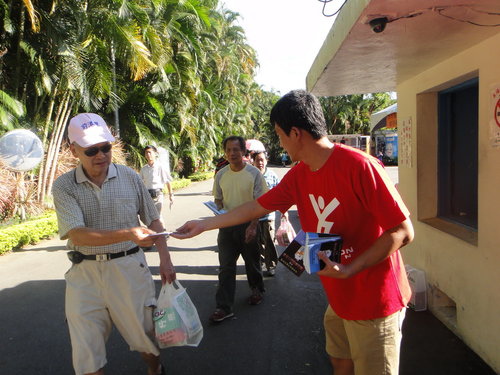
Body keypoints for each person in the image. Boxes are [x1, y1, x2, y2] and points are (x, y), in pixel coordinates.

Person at [172, 90, 414, 375]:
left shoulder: (360, 166)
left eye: (279, 134)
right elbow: (255, 207)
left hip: (375, 301)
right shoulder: (299, 175)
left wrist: (350, 268)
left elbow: (402, 231)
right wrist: (203, 224)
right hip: (339, 300)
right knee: (340, 362)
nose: (279, 143)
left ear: (296, 133)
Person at [52, 113, 176, 375]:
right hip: (83, 275)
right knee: (86, 352)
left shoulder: (130, 177)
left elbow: (153, 220)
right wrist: (129, 233)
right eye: (91, 149)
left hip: (128, 268)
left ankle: (156, 369)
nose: (101, 155)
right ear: (74, 150)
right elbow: (78, 235)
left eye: (105, 147)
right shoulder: (64, 186)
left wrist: (165, 259)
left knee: (145, 340)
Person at [209, 135, 268, 323]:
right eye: (228, 150)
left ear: (243, 152)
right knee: (226, 267)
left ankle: (257, 289)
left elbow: (261, 203)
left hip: (248, 225)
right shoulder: (221, 174)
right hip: (226, 226)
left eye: (236, 150)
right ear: (225, 153)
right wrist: (218, 208)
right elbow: (218, 198)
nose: (232, 153)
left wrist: (252, 225)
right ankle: (224, 307)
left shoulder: (254, 174)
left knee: (252, 262)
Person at [251, 150, 282, 276]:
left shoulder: (272, 175)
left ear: (266, 161)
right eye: (257, 160)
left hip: (269, 216)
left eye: (262, 160)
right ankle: (260, 263)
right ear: (253, 161)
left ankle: (271, 265)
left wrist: (283, 211)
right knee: (255, 243)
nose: (260, 162)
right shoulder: (250, 176)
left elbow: (280, 194)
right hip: (253, 216)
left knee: (269, 242)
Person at [140, 145, 174, 219]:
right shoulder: (143, 169)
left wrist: (171, 195)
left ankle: (162, 230)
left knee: (158, 216)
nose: (148, 155)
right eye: (146, 153)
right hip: (147, 197)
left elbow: (167, 181)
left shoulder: (160, 167)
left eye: (150, 152)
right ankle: (154, 230)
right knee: (149, 218)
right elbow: (140, 183)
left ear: (155, 153)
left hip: (157, 195)